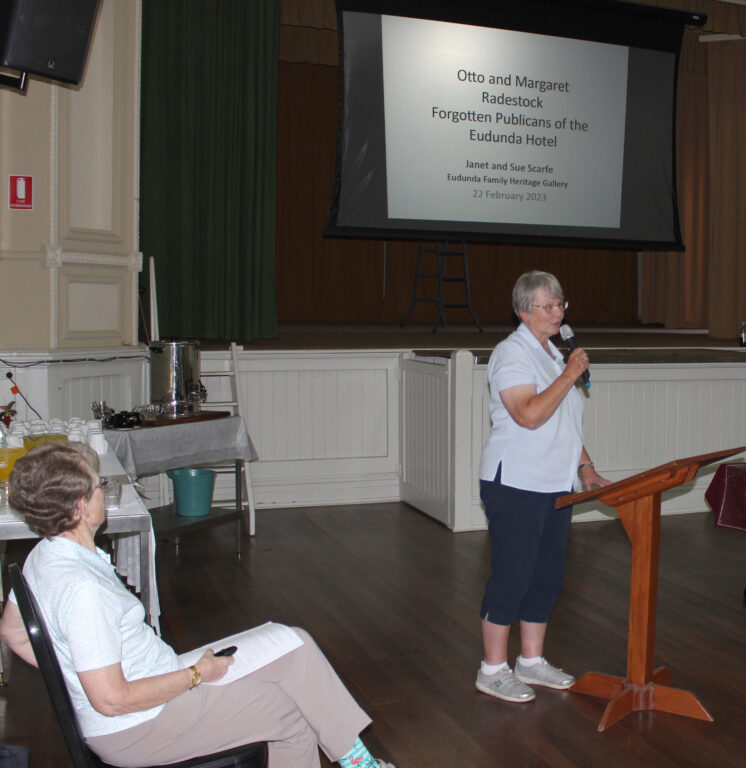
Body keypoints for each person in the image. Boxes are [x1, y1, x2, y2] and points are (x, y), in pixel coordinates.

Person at [0, 442, 395, 768]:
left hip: (152, 684)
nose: (105, 489)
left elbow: (14, 633)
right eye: (98, 483)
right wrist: (195, 675)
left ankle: (360, 762)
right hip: (139, 725)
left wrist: (71, 670)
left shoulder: (44, 555)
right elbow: (111, 699)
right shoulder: (82, 590)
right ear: (79, 508)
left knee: (294, 644)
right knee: (292, 713)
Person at [475, 270, 610, 704]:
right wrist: (570, 373)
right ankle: (491, 669)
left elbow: (564, 421)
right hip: (516, 481)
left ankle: (531, 662)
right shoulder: (511, 354)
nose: (557, 313)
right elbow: (529, 414)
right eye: (547, 306)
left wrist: (585, 466)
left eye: (560, 305)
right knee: (513, 574)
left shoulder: (553, 353)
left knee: (547, 575)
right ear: (522, 311)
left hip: (555, 480)